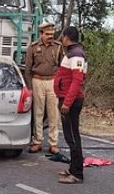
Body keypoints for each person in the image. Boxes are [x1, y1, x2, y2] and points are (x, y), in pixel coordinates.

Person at [54, 26, 87, 185]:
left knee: (73, 137)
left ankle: (77, 174)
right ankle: (73, 168)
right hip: (67, 98)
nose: (61, 39)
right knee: (70, 136)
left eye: (62, 36)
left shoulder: (76, 55)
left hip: (71, 101)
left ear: (67, 37)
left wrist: (67, 102)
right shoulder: (72, 53)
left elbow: (77, 81)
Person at [25, 22, 64, 154]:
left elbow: (62, 67)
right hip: (37, 80)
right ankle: (37, 141)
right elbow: (28, 69)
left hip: (52, 81)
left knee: (53, 112)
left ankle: (53, 143)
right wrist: (30, 87)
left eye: (52, 34)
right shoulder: (33, 47)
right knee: (38, 112)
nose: (50, 36)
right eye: (47, 34)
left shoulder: (58, 47)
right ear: (41, 34)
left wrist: (60, 85)